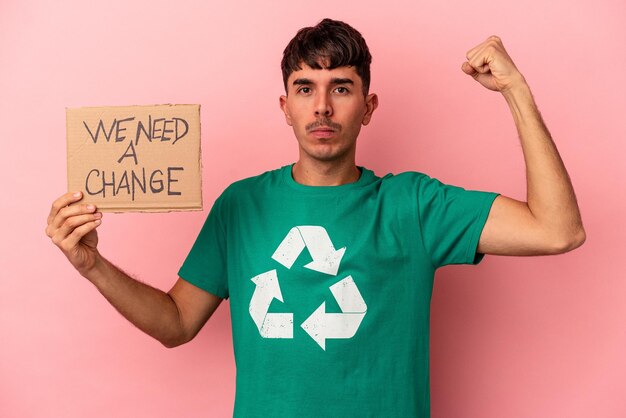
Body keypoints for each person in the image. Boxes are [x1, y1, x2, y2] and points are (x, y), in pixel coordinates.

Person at [46, 18, 585, 418]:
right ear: (285, 106)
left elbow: (558, 230)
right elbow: (175, 323)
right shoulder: (241, 205)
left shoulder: (415, 206)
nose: (322, 107)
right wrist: (92, 264)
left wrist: (516, 90)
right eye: (306, 88)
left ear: (369, 106)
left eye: (341, 89)